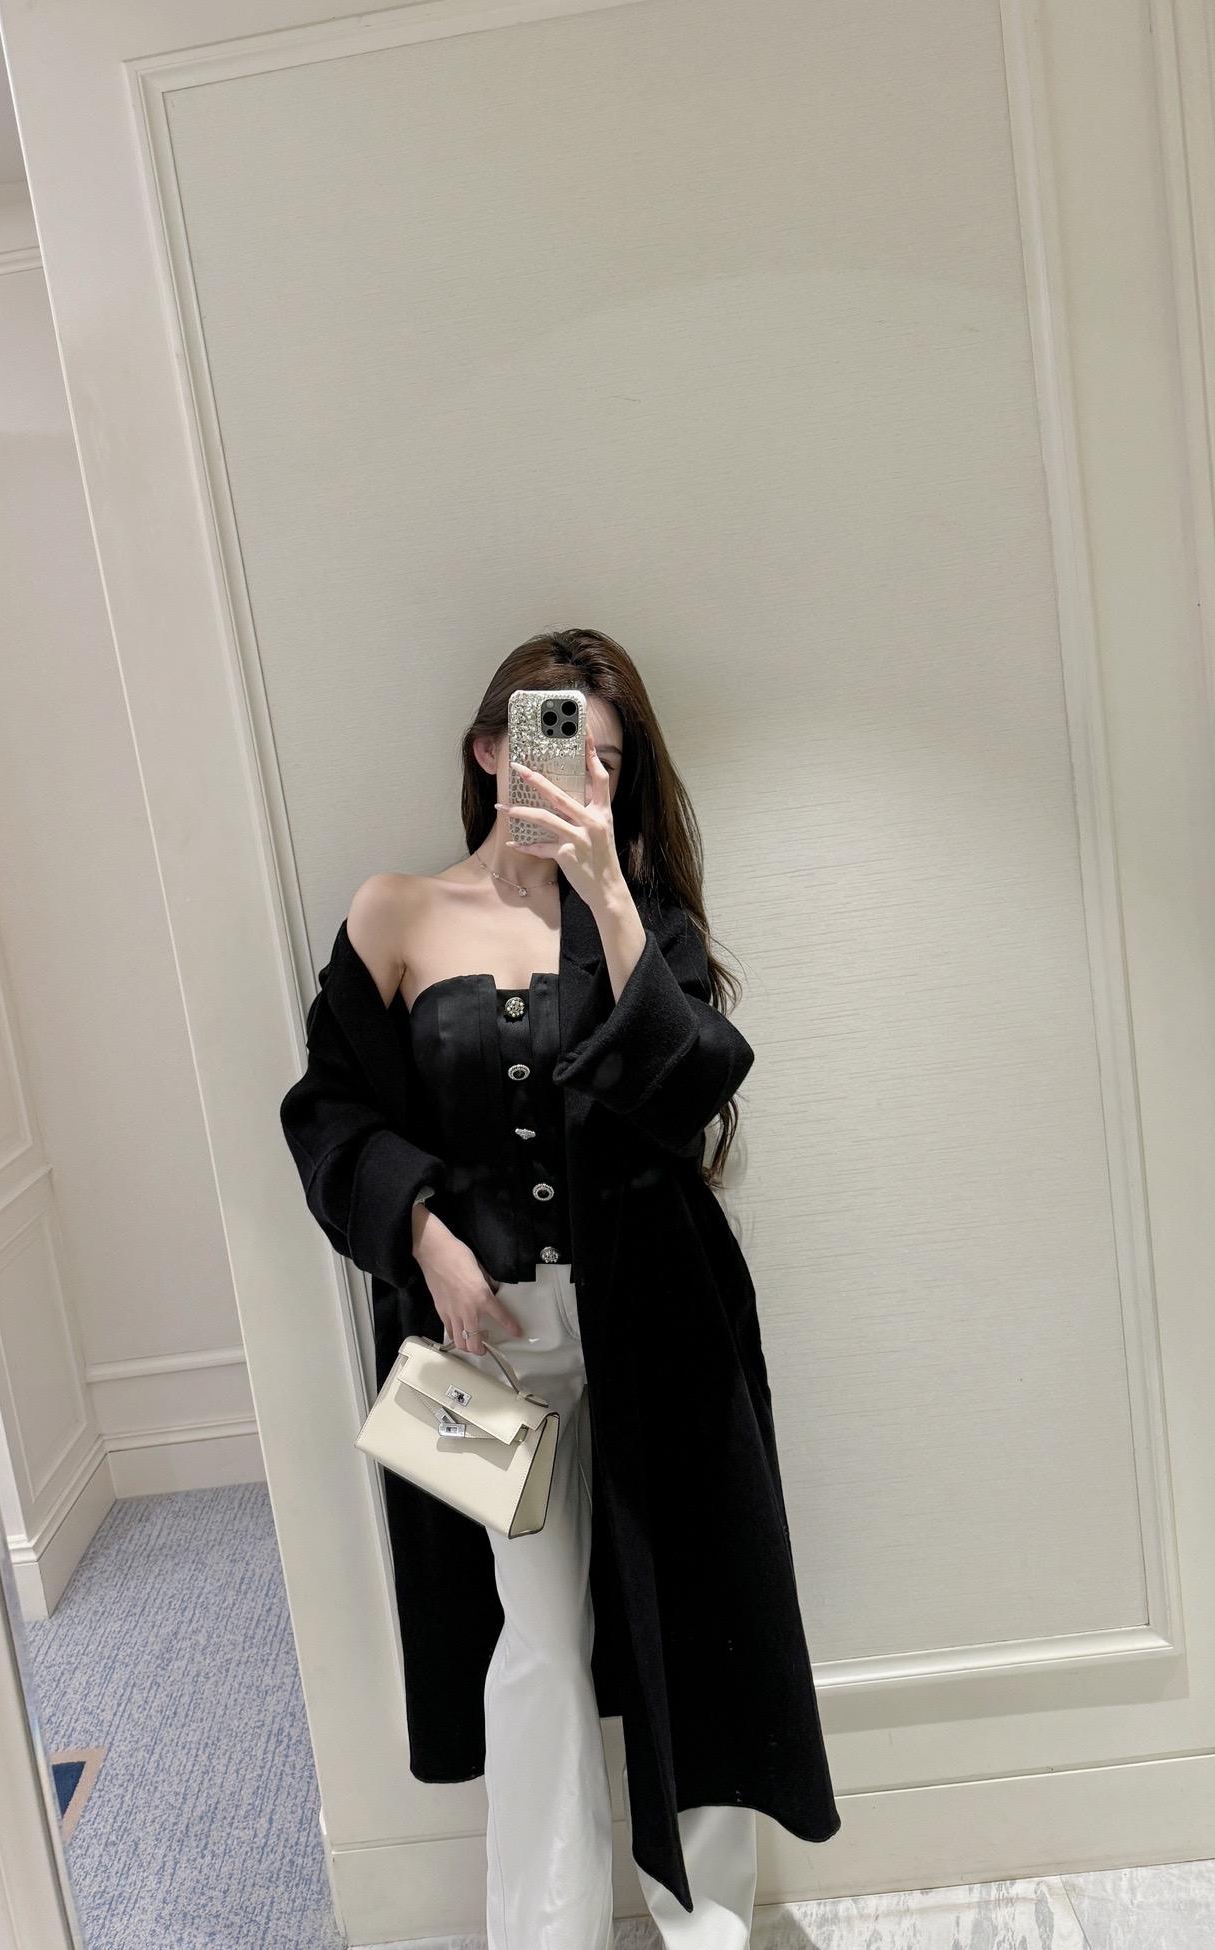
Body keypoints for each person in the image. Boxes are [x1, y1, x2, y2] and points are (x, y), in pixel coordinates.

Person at [279, 628, 841, 1950]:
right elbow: (327, 1111)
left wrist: (612, 897)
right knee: (533, 1638)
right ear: (492, 750)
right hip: (473, 1354)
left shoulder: (640, 924)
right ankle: (544, 1932)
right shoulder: (397, 910)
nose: (582, 778)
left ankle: (709, 1925)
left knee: (690, 1619)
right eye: (556, 745)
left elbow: (690, 1089)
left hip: (659, 1328)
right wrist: (423, 1231)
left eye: (607, 761)